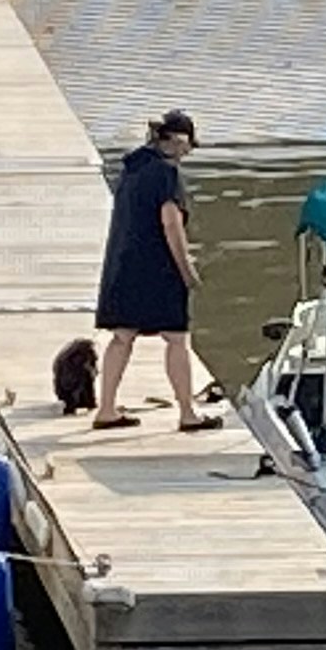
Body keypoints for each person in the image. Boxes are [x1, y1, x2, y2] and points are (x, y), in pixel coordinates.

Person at [90, 109, 220, 432]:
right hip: (157, 269)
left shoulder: (131, 168)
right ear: (175, 140)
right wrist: (186, 270)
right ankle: (188, 413)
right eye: (188, 145)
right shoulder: (167, 174)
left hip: (122, 265)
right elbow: (171, 225)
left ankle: (106, 409)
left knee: (122, 337)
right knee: (176, 339)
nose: (188, 152)